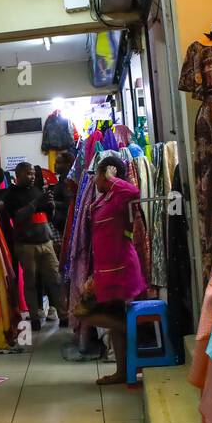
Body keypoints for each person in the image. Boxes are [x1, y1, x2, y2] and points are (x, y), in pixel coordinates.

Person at [73, 154, 147, 384]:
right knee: (108, 317)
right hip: (106, 271)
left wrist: (112, 178)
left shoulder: (119, 197)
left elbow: (134, 192)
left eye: (97, 174)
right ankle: (122, 371)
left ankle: (132, 331)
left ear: (106, 174)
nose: (93, 179)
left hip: (121, 269)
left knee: (84, 312)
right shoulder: (103, 200)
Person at [1, 161, 67, 329]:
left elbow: (48, 217)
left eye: (33, 174)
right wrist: (37, 202)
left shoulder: (38, 190)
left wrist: (50, 206)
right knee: (30, 283)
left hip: (46, 242)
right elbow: (18, 217)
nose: (32, 177)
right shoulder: (11, 194)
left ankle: (63, 315)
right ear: (18, 175)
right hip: (26, 245)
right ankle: (35, 317)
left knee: (55, 280)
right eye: (28, 174)